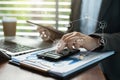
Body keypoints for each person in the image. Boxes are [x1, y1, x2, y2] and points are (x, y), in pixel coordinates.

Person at [37, 0, 120, 80]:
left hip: (111, 70)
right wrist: (54, 35)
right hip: (75, 67)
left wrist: (96, 41)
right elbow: (73, 32)